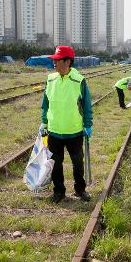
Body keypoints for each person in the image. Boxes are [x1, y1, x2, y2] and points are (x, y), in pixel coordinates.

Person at [40, 46, 93, 203]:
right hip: (54, 130)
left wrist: (88, 124)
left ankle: (80, 189)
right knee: (56, 164)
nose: (54, 63)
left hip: (74, 131)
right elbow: (45, 103)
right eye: (54, 60)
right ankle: (59, 191)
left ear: (68, 61)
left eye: (57, 60)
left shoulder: (79, 80)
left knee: (77, 164)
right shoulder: (50, 79)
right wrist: (44, 121)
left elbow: (87, 105)